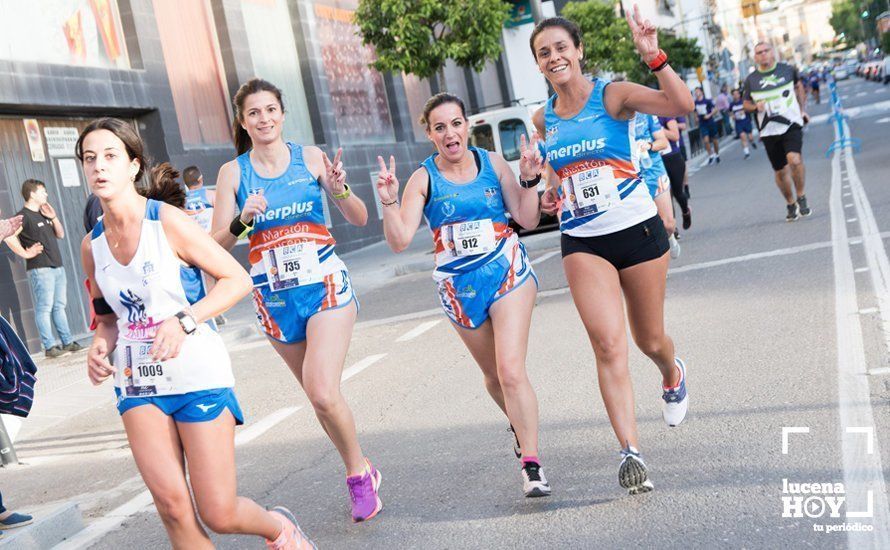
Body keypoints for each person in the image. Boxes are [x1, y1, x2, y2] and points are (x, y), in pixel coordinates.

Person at [77, 117, 315, 549]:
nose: (99, 167)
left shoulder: (165, 222)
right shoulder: (91, 245)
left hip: (196, 374)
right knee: (172, 509)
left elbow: (236, 279)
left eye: (110, 156)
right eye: (90, 158)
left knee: (218, 512)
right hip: (138, 382)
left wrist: (184, 321)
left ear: (133, 166)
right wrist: (99, 345)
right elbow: (108, 318)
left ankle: (279, 529)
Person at [530, 10, 692, 495]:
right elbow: (558, 173)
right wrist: (551, 190)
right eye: (544, 53)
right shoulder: (543, 119)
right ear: (539, 65)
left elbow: (679, 104)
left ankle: (671, 371)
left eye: (561, 48)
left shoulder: (614, 94)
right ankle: (630, 451)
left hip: (637, 231)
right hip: (582, 239)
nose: (554, 57)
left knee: (649, 339)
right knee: (606, 344)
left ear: (578, 51)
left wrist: (654, 57)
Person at [211, 78, 382, 523]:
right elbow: (213, 247)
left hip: (324, 284)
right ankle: (362, 466)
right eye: (254, 113)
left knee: (324, 391)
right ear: (243, 121)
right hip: (274, 298)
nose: (264, 119)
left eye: (271, 110)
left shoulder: (310, 158)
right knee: (317, 396)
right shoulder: (233, 174)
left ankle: (358, 478)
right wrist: (243, 219)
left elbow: (360, 217)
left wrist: (341, 187)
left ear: (282, 113)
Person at [376, 93, 551, 498]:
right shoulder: (423, 178)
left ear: (466, 125)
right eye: (440, 127)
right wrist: (388, 198)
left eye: (455, 123)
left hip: (506, 269)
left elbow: (526, 218)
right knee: (493, 377)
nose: (450, 133)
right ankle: (521, 427)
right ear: (430, 134)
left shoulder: (491, 163)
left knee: (510, 370)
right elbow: (400, 239)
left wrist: (529, 178)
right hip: (459, 287)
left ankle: (531, 461)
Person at [3, 180, 83, 358]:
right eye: (43, 191)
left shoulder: (44, 213)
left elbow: (60, 234)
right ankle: (50, 346)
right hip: (41, 269)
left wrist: (53, 217)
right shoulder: (23, 217)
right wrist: (25, 253)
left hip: (57, 266)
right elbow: (10, 238)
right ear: (32, 194)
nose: (46, 195)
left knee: (59, 306)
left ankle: (67, 341)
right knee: (45, 307)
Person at [742, 41, 811, 222]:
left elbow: (799, 86)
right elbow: (745, 104)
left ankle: (801, 195)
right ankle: (790, 202)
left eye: (766, 51)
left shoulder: (787, 70)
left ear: (772, 52)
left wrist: (803, 109)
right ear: (755, 57)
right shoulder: (751, 80)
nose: (763, 54)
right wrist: (756, 106)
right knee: (780, 171)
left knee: (794, 160)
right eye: (759, 52)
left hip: (791, 124)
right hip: (768, 129)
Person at [634, 112, 680, 258]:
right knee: (643, 227)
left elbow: (663, 141)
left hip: (654, 172)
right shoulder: (611, 119)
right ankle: (658, 263)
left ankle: (670, 237)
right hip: (632, 177)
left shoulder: (645, 115)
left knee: (668, 224)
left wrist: (649, 145)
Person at [657, 116, 692, 233]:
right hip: (657, 162)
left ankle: (685, 211)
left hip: (673, 158)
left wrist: (658, 130)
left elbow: (675, 135)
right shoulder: (644, 118)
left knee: (678, 193)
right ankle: (673, 229)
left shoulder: (664, 116)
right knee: (667, 195)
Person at [183, 166, 216, 233]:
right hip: (212, 239)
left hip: (194, 240)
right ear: (200, 179)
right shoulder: (211, 195)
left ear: (185, 183)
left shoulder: (181, 201)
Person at [693, 88, 720, 165]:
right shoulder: (695, 103)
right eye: (695, 92)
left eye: (698, 91)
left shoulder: (707, 101)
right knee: (706, 141)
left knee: (714, 140)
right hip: (702, 124)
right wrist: (696, 118)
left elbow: (715, 109)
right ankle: (711, 155)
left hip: (710, 122)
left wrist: (709, 115)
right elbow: (695, 113)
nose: (697, 93)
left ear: (701, 92)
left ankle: (717, 154)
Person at [729, 88, 757, 159]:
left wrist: (744, 111)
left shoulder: (744, 102)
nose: (735, 95)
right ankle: (747, 153)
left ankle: (752, 142)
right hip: (738, 123)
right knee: (742, 136)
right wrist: (732, 116)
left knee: (750, 137)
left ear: (739, 94)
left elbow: (750, 108)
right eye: (734, 94)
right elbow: (730, 112)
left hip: (746, 121)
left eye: (737, 94)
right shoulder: (732, 104)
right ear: (732, 96)